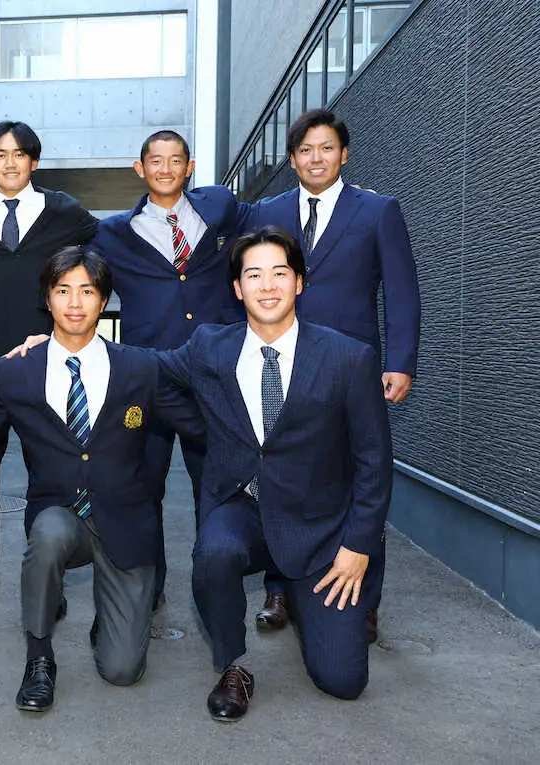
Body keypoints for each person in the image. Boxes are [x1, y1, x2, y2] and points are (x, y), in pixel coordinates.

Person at [158, 226, 392, 721]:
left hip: (320, 525)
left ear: (299, 282)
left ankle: (304, 602)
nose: (267, 286)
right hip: (242, 505)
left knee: (343, 682)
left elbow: (374, 462)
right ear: (237, 287)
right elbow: (148, 371)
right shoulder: (210, 347)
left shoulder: (348, 358)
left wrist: (358, 547)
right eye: (254, 275)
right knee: (214, 552)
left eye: (280, 273)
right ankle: (233, 665)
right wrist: (59, 344)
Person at [0, 247, 203, 713]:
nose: (74, 303)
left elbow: (197, 425)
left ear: (104, 300)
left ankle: (111, 619)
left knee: (122, 671)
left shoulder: (140, 368)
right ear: (47, 298)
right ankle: (39, 656)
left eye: (87, 291)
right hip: (60, 516)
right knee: (47, 533)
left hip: (126, 523)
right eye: (63, 291)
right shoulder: (16, 371)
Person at [241, 109, 419, 639]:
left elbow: (402, 291)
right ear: (292, 159)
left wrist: (399, 361)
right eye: (304, 150)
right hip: (280, 366)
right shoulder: (267, 212)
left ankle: (364, 600)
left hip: (353, 368)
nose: (315, 159)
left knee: (362, 476)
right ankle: (280, 590)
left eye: (325, 148)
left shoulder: (378, 211)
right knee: (281, 476)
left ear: (344, 154)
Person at [0, 120, 98, 611]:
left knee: (49, 472)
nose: (10, 163)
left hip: (43, 362)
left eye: (19, 154)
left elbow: (94, 256)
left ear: (34, 161)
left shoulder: (63, 212)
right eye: (0, 155)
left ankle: (48, 581)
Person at [92, 129, 246, 608]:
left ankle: (213, 582)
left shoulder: (220, 209)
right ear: (140, 169)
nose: (165, 169)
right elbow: (75, 278)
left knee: (214, 486)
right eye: (155, 161)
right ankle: (148, 587)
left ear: (189, 167)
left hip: (213, 375)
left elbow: (274, 215)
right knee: (143, 484)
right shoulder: (112, 233)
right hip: (148, 380)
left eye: (175, 160)